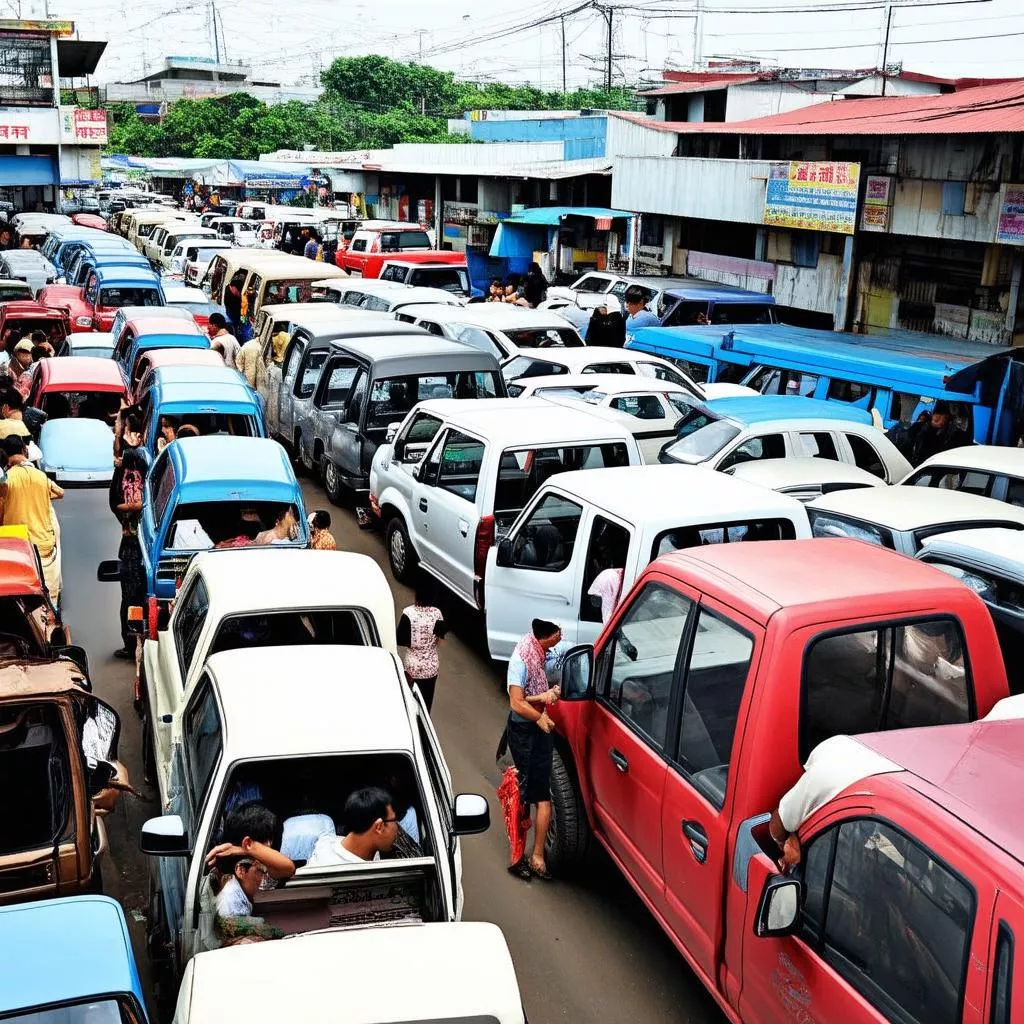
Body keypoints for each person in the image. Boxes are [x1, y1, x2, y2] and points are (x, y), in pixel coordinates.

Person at [503, 619, 567, 881]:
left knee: (536, 794)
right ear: (546, 638)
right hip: (525, 732)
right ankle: (526, 857)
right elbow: (517, 703)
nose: (560, 638)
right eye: (557, 635)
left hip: (536, 731)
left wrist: (544, 697)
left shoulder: (536, 649)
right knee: (531, 795)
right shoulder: (521, 660)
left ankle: (533, 854)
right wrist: (539, 716)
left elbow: (526, 698)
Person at [0, 434, 63, 602]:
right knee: (50, 604)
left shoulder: (6, 481)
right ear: (24, 450)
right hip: (42, 546)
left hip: (15, 549)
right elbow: (60, 492)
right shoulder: (41, 477)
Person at [109, 413, 146, 661]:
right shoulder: (142, 469)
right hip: (135, 542)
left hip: (138, 542)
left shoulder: (146, 467)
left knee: (133, 596)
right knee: (134, 596)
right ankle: (132, 641)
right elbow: (114, 502)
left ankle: (134, 640)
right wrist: (132, 510)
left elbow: (115, 503)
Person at [306, 787, 401, 865]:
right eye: (395, 820)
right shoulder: (341, 873)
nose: (398, 827)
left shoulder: (329, 842)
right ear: (379, 827)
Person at [396, 581, 448, 712]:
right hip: (431, 668)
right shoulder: (437, 614)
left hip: (412, 668)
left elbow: (401, 640)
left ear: (416, 594)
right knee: (425, 706)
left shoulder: (408, 613)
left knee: (409, 704)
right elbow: (441, 641)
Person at [904, 400, 971, 466]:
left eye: (945, 418)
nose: (941, 422)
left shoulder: (949, 432)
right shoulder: (920, 428)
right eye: (937, 419)